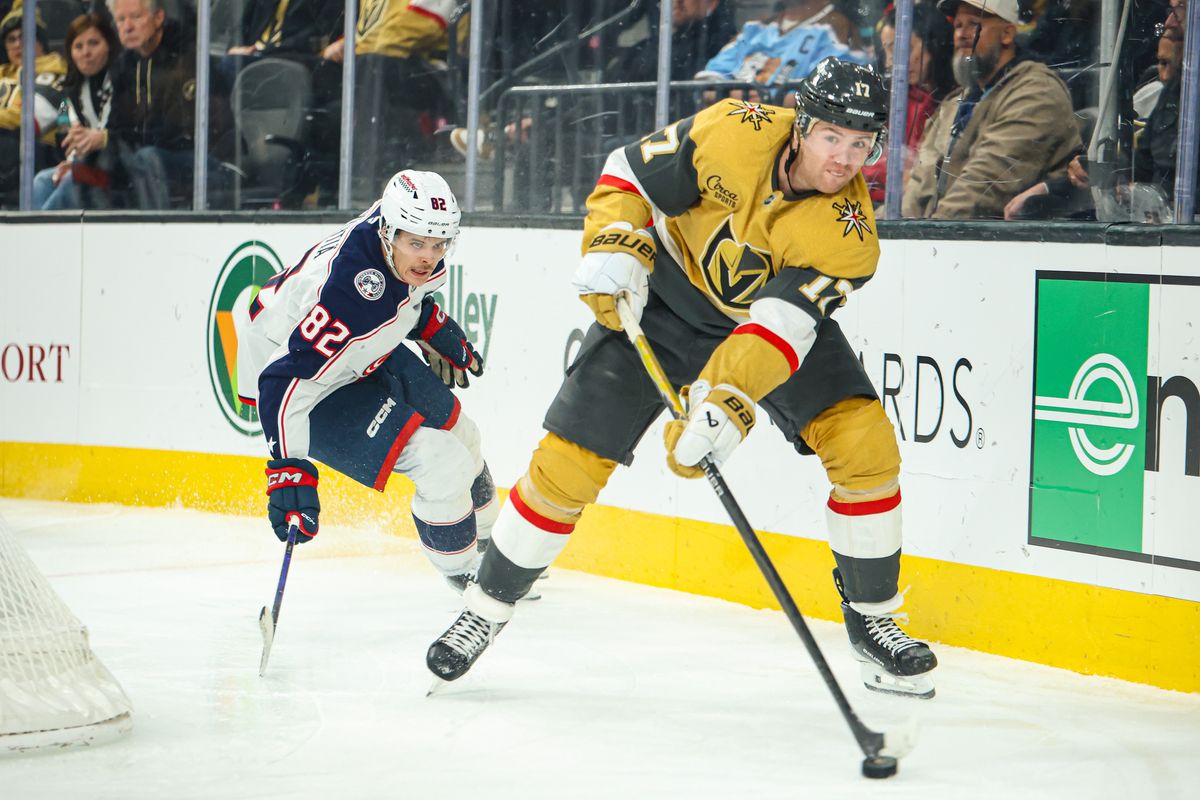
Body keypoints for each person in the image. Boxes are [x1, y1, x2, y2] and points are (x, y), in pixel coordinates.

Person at [426, 57, 939, 700]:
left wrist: (723, 404)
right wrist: (616, 245)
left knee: (864, 444)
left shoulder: (848, 238)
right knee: (569, 463)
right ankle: (485, 608)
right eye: (832, 137)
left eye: (860, 145)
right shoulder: (734, 127)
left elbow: (777, 332)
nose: (843, 159)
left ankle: (874, 623)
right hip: (662, 303)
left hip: (759, 331)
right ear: (801, 126)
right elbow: (628, 174)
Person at [234, 170, 498, 593]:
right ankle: (471, 582)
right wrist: (288, 473)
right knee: (442, 462)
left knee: (465, 436)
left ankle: (496, 555)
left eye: (438, 243)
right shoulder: (348, 294)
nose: (428, 256)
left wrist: (425, 320)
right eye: (417, 244)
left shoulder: (400, 227)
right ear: (389, 232)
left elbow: (397, 292)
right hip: (305, 385)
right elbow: (281, 383)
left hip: (358, 356)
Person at [901, 0, 1081, 219]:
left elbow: (983, 186)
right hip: (941, 240)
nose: (961, 35)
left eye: (974, 24)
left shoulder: (1037, 92)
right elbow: (918, 188)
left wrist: (925, 238)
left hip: (1002, 245)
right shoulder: (955, 102)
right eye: (957, 25)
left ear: (1007, 34)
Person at [107, 0, 230, 209]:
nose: (127, 27)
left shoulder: (187, 57)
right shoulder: (124, 66)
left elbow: (176, 133)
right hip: (146, 159)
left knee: (147, 158)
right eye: (120, 20)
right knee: (55, 176)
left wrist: (110, 139)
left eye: (136, 17)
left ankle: (150, 233)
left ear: (159, 18)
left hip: (207, 163)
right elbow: (117, 125)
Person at [861, 1, 954, 205]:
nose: (889, 62)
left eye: (900, 48)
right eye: (887, 51)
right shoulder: (894, 98)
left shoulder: (955, 105)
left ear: (933, 43)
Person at [32, 13, 120, 210]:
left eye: (93, 43)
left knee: (71, 180)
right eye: (78, 46)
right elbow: (64, 133)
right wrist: (70, 161)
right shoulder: (66, 91)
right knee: (41, 180)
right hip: (83, 165)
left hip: (116, 168)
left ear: (109, 46)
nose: (85, 52)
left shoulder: (120, 81)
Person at [0, 4, 66, 207]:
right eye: (11, 39)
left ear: (41, 42)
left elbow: (30, 119)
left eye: (25, 36)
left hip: (36, 156)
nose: (18, 44)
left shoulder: (57, 74)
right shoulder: (3, 73)